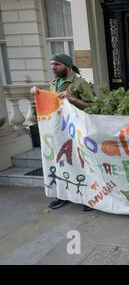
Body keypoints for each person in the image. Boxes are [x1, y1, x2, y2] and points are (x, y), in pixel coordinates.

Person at [31, 53, 95, 211]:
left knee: (82, 163)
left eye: (57, 64)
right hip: (59, 131)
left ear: (67, 66)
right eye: (52, 64)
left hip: (77, 131)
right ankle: (63, 195)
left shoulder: (79, 83)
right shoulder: (54, 83)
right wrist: (38, 94)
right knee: (62, 163)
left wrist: (72, 99)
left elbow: (92, 107)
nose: (53, 67)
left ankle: (89, 197)